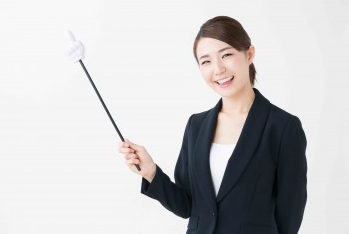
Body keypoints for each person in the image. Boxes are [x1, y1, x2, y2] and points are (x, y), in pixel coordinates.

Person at [118, 16, 307, 234]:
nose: (218, 69)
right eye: (206, 61)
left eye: (226, 55)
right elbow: (188, 205)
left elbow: (289, 215)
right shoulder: (196, 125)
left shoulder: (282, 127)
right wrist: (151, 173)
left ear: (249, 54)